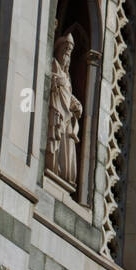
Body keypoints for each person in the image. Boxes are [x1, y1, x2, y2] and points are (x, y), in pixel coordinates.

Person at [45, 34, 82, 187]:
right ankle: (51, 166)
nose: (66, 55)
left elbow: (68, 93)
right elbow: (50, 79)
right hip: (56, 110)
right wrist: (57, 80)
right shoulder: (54, 64)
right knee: (55, 136)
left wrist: (76, 103)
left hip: (66, 115)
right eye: (64, 51)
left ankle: (62, 173)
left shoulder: (67, 76)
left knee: (67, 141)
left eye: (69, 53)